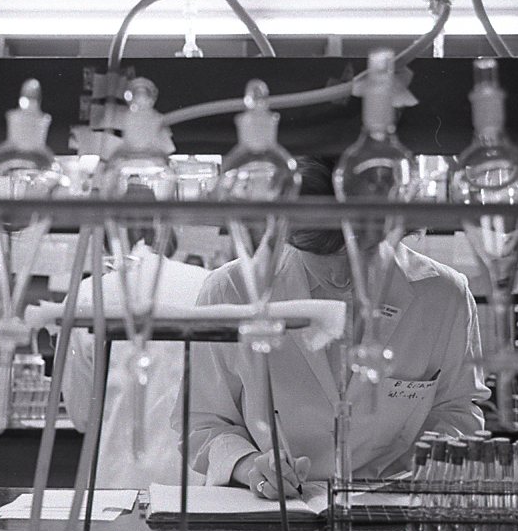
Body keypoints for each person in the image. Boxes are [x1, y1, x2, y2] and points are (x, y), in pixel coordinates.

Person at [175, 157, 488, 499]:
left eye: (359, 253)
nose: (340, 275)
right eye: (321, 253)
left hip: (393, 507)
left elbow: (458, 410)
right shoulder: (231, 290)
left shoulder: (444, 295)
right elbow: (200, 422)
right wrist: (249, 464)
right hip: (275, 507)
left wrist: (423, 471)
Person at [61, 223, 209, 489]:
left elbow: (82, 415)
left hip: (117, 481)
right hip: (200, 478)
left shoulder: (88, 293)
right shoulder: (207, 282)